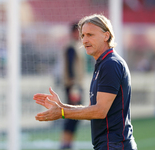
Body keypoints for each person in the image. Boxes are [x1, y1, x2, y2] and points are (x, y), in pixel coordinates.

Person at [33, 14, 137, 150]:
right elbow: (92, 110)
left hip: (115, 145)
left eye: (90, 35)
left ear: (106, 36)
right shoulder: (103, 64)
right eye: (83, 36)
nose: (85, 40)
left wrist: (62, 112)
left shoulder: (110, 64)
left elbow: (100, 111)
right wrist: (62, 106)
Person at [60, 22, 85, 149]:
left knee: (75, 115)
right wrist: (74, 85)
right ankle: (65, 144)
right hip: (73, 86)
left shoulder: (76, 46)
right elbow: (70, 66)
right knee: (72, 115)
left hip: (75, 85)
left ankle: (68, 143)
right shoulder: (71, 47)